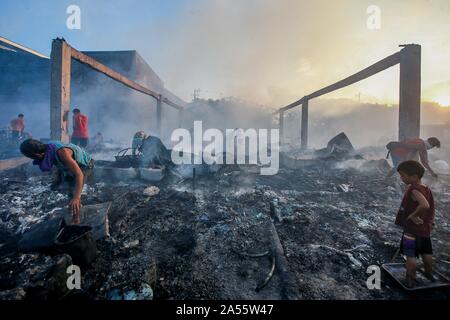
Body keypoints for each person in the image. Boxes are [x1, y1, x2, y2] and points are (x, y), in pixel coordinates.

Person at [20, 139, 94, 224]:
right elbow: (58, 162)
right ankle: (74, 210)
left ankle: (76, 220)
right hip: (70, 165)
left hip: (85, 165)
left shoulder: (63, 153)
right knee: (62, 185)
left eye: (32, 157)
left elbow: (79, 174)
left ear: (37, 154)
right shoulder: (48, 148)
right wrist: (58, 177)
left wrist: (76, 197)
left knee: (73, 194)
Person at [395, 160, 435, 288]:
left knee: (410, 254)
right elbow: (429, 206)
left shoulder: (414, 189)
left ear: (414, 177)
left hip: (411, 230)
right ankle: (429, 274)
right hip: (424, 230)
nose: (401, 178)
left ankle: (410, 279)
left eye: (403, 175)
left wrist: (413, 215)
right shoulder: (426, 188)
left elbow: (425, 205)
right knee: (426, 252)